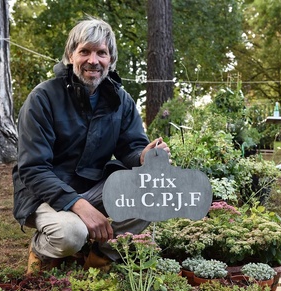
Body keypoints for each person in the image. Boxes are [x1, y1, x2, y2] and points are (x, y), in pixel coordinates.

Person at [12, 16, 170, 275]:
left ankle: (98, 255)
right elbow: (33, 169)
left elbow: (130, 148)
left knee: (151, 189)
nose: (93, 61)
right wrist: (79, 205)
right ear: (70, 56)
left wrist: (144, 156)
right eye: (84, 51)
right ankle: (43, 250)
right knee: (72, 233)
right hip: (41, 192)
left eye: (101, 53)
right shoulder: (43, 98)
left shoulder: (120, 99)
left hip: (91, 186)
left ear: (111, 59)